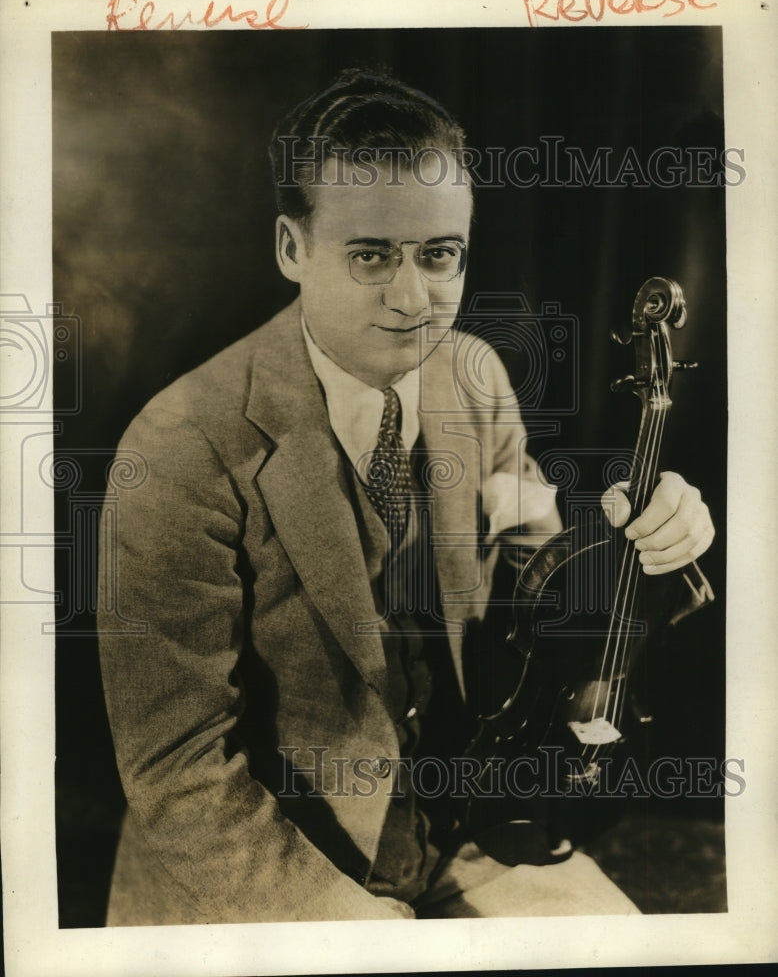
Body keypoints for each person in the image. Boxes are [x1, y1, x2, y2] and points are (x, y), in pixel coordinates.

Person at [97, 69, 715, 924]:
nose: (413, 298)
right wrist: (357, 929)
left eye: (439, 254)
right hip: (265, 873)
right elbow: (180, 774)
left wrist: (641, 527)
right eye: (370, 255)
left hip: (461, 831)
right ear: (290, 249)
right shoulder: (178, 450)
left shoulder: (475, 377)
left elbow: (534, 560)